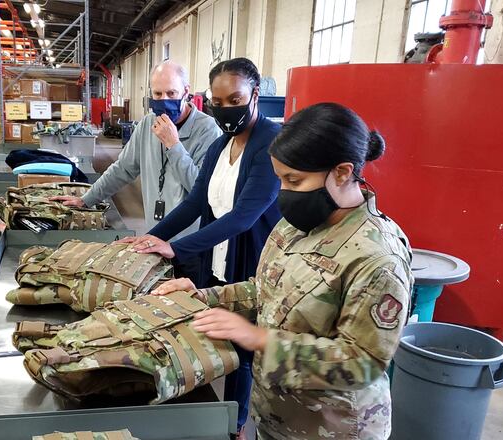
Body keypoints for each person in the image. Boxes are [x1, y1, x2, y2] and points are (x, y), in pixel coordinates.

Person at [152, 103, 414, 440]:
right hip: (277, 416)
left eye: (294, 180)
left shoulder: (377, 258)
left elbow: (361, 361)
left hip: (333, 429)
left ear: (342, 172)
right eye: (280, 180)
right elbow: (264, 289)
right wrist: (203, 297)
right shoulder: (295, 225)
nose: (284, 192)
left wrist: (259, 338)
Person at [120, 58, 282, 436]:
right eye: (218, 101)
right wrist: (156, 236)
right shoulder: (221, 145)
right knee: (218, 339)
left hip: (251, 259)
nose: (227, 110)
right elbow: (196, 203)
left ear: (255, 95)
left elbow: (243, 217)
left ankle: (238, 425)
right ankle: (217, 413)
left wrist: (177, 249)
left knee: (244, 352)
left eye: (236, 99)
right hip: (218, 258)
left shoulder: (270, 145)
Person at [50, 60, 222, 249]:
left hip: (190, 243)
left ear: (186, 91)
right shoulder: (148, 124)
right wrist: (86, 199)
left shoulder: (208, 130)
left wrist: (174, 145)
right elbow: (122, 169)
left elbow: (201, 190)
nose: (164, 99)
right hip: (155, 236)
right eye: (157, 93)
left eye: (171, 93)